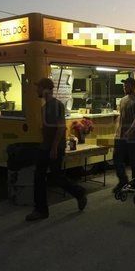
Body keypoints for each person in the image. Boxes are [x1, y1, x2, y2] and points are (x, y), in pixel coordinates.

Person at [25, 78, 87, 221]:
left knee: (56, 177)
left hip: (53, 147)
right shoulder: (44, 107)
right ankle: (41, 210)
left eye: (38, 87)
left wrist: (54, 148)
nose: (36, 90)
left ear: (45, 89)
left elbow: (61, 127)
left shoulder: (56, 105)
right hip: (45, 147)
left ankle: (78, 193)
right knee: (40, 176)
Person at [113, 77, 135, 192]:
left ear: (132, 86)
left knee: (134, 161)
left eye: (126, 85)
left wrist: (130, 131)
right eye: (124, 85)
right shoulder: (122, 100)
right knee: (117, 159)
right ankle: (123, 181)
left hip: (134, 137)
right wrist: (117, 130)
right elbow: (121, 117)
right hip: (121, 136)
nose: (124, 87)